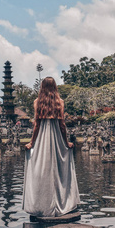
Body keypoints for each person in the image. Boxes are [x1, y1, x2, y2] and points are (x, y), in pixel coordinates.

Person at [23, 77, 80, 217]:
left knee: (41, 170)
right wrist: (66, 143)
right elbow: (62, 125)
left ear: (42, 87)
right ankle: (61, 201)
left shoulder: (37, 102)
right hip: (56, 138)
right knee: (58, 169)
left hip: (42, 137)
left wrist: (32, 143)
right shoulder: (60, 102)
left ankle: (41, 204)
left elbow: (36, 125)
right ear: (55, 87)